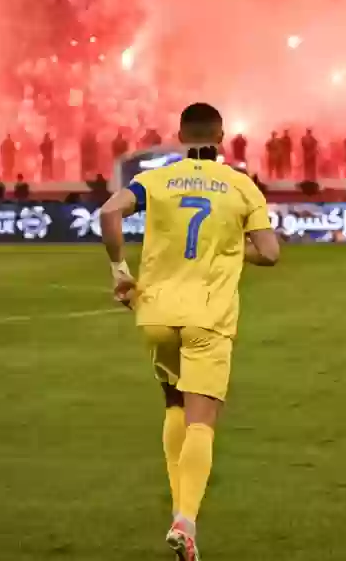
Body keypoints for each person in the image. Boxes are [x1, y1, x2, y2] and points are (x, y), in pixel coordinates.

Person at [98, 102, 280, 561]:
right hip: (208, 318)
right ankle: (186, 520)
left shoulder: (154, 180)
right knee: (203, 420)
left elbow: (107, 213)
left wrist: (120, 270)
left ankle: (181, 508)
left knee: (174, 403)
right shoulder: (242, 186)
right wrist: (234, 251)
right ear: (222, 137)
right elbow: (271, 253)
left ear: (180, 135)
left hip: (156, 315)